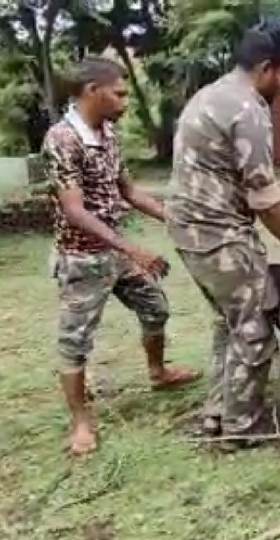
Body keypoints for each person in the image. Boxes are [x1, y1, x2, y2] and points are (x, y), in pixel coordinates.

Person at [165, 23, 280, 446]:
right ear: (266, 68)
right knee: (253, 331)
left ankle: (218, 412)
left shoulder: (209, 95)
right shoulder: (248, 108)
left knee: (229, 323)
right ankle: (242, 427)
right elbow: (266, 198)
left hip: (189, 231)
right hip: (219, 234)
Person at [44, 56, 201, 456]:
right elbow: (74, 211)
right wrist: (132, 247)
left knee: (155, 308)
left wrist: (170, 217)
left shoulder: (109, 133)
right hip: (82, 258)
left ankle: (158, 371)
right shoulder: (62, 139)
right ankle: (81, 420)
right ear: (92, 90)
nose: (125, 101)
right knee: (75, 342)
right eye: (118, 93)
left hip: (115, 253)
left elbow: (127, 190)